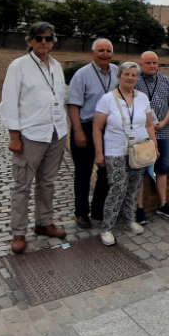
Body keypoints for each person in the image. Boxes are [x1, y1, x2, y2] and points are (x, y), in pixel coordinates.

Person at [0, 22, 68, 254]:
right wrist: (14, 136)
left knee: (47, 183)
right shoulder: (18, 66)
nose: (44, 43)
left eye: (48, 39)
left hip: (56, 132)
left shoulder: (57, 66)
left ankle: (43, 223)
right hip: (31, 134)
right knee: (22, 186)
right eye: (39, 39)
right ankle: (18, 232)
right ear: (30, 41)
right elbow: (9, 102)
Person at [92, 62, 157, 246]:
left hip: (139, 150)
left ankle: (130, 219)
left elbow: (149, 124)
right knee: (117, 189)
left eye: (134, 75)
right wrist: (99, 153)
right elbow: (97, 128)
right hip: (115, 151)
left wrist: (154, 145)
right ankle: (107, 227)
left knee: (135, 188)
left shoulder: (142, 98)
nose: (130, 78)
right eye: (127, 74)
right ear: (119, 77)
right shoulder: (107, 99)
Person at [67, 38, 117, 228]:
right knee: (83, 172)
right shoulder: (82, 75)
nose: (105, 54)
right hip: (86, 127)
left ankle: (98, 210)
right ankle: (81, 213)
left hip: (107, 130)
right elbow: (73, 105)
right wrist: (78, 131)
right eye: (101, 50)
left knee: (106, 171)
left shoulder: (115, 72)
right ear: (93, 53)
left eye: (108, 50)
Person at [135, 51, 169, 223]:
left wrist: (163, 122)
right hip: (142, 133)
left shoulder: (167, 81)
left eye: (155, 62)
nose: (152, 66)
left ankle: (163, 204)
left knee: (162, 169)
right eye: (148, 63)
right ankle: (139, 208)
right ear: (141, 64)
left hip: (163, 132)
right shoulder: (136, 80)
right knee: (140, 171)